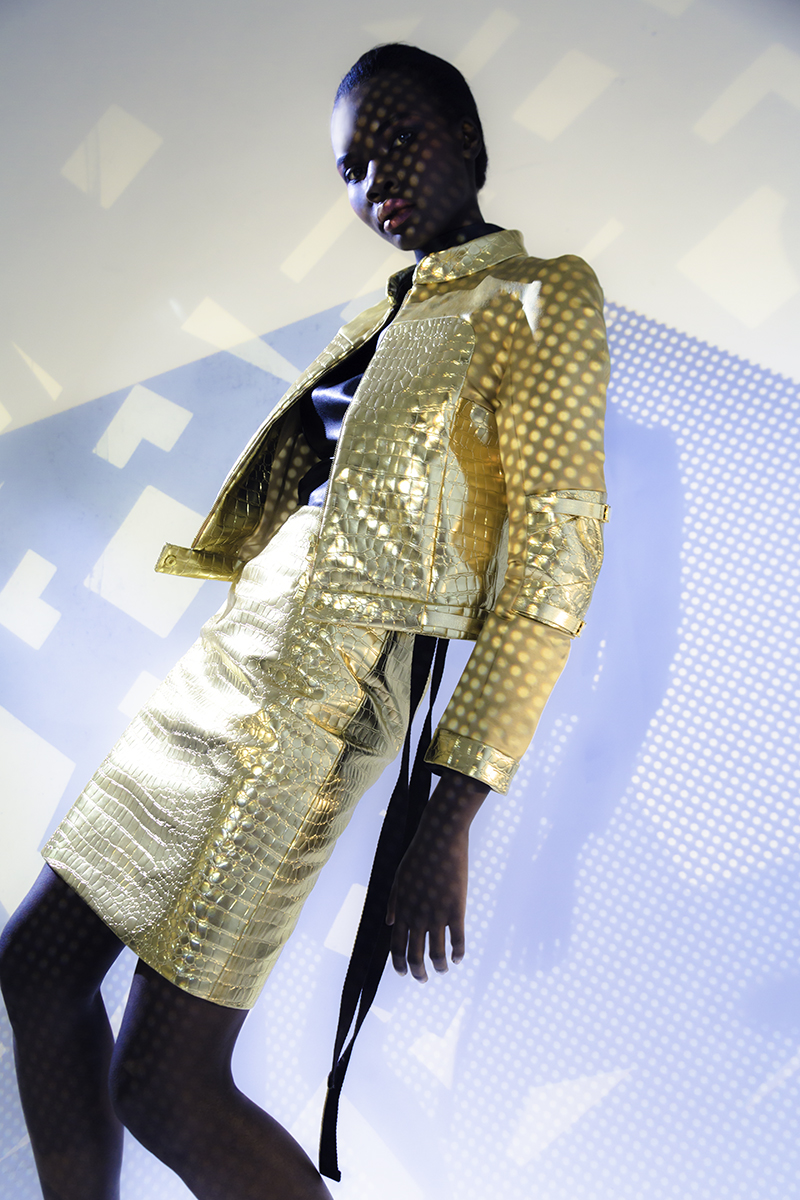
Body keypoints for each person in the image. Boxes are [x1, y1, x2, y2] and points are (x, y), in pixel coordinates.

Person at [0, 42, 610, 1200]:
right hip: (224, 670)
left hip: (323, 698)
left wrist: (449, 810)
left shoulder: (539, 295)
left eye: (399, 142)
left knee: (165, 1085)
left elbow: (551, 564)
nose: (376, 180)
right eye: (350, 168)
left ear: (468, 139)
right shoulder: (392, 308)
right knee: (35, 969)